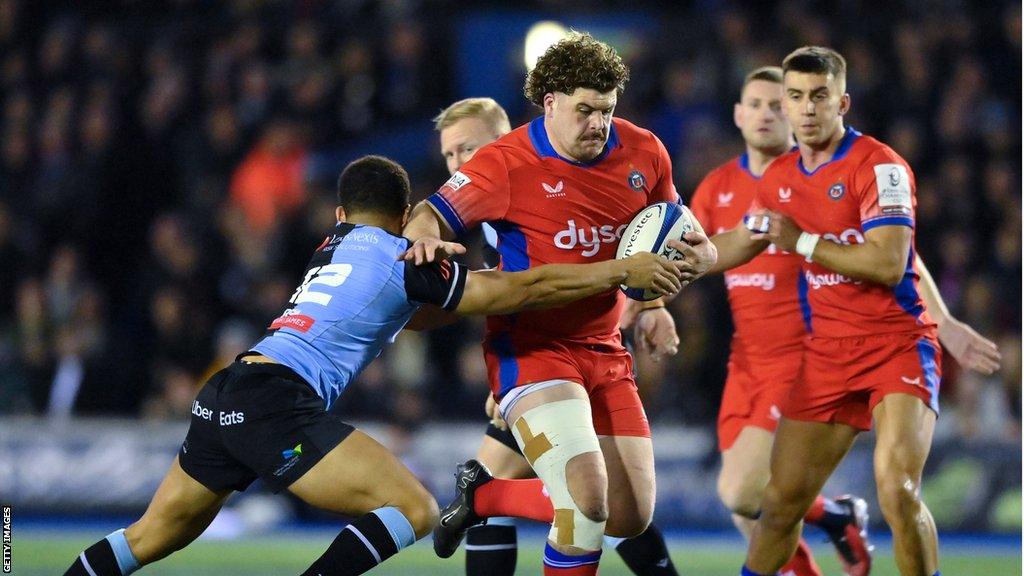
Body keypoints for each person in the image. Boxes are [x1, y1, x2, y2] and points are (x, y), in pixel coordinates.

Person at [61, 155, 689, 576]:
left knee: (150, 538)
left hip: (229, 387)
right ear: (406, 215)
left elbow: (406, 310)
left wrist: (450, 279)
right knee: (414, 508)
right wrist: (616, 273)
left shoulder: (331, 247)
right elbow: (518, 292)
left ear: (340, 215)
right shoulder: (407, 258)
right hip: (278, 401)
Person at [402, 33, 717, 575]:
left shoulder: (645, 151)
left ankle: (483, 496)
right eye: (585, 110)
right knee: (585, 504)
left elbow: (681, 237)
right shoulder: (503, 163)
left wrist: (690, 267)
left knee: (628, 516)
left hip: (605, 348)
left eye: (607, 110)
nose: (598, 123)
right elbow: (429, 213)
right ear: (549, 102)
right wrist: (422, 236)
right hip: (532, 349)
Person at [691, 66, 1002, 576]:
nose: (806, 108)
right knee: (778, 506)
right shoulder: (778, 180)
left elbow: (890, 262)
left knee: (897, 491)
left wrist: (943, 323)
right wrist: (666, 268)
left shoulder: (880, 167)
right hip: (826, 354)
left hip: (896, 345)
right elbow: (739, 242)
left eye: (819, 96)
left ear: (843, 103)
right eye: (796, 97)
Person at [434, 97, 679, 576]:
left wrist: (652, 304)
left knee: (612, 501)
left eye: (467, 148)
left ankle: (479, 495)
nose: (459, 164)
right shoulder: (477, 215)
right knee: (589, 496)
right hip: (537, 363)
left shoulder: (536, 179)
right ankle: (480, 495)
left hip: (589, 355)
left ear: (502, 140)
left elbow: (630, 240)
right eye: (449, 155)